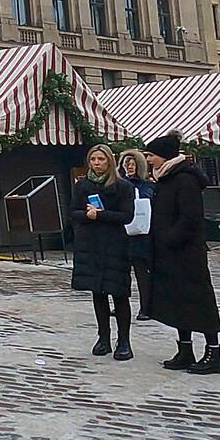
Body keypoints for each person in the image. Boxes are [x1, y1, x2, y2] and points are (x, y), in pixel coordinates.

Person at [144, 133, 220, 374]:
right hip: (169, 253)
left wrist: (169, 239)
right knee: (177, 301)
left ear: (165, 156)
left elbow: (190, 219)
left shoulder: (185, 180)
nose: (149, 160)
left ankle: (214, 353)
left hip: (187, 254)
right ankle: (185, 349)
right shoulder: (165, 179)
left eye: (151, 155)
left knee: (199, 300)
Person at [71, 145, 134, 360]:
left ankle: (124, 340)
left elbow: (127, 216)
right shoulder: (83, 186)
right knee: (97, 292)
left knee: (118, 292)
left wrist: (101, 215)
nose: (96, 163)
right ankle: (103, 337)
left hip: (115, 243)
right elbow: (72, 212)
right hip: (91, 244)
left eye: (101, 159)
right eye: (93, 159)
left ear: (109, 161)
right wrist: (86, 216)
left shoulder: (122, 186)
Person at [119, 149, 154, 321]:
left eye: (133, 164)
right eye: (127, 164)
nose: (130, 167)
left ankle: (145, 307)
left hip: (142, 235)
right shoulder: (119, 184)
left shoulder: (147, 185)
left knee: (142, 273)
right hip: (123, 234)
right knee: (120, 273)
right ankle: (120, 304)